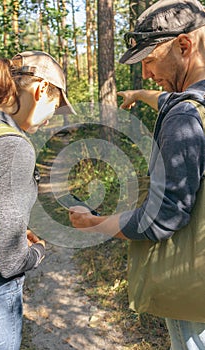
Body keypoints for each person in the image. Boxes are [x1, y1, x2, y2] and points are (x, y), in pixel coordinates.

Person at [69, 0, 205, 348]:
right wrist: (141, 95)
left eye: (148, 61)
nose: (146, 73)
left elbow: (162, 218)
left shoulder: (184, 118)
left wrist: (92, 224)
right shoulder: (193, 105)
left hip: (195, 294)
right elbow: (174, 101)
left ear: (184, 45)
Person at [0, 50, 75, 349]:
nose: (50, 119)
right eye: (54, 107)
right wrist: (38, 251)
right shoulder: (13, 146)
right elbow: (10, 260)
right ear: (42, 89)